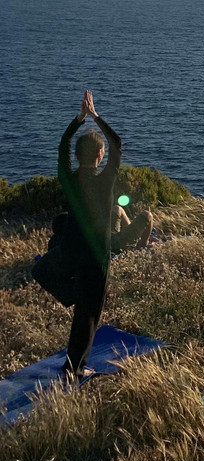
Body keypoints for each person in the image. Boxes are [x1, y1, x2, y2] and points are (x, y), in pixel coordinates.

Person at [32, 90, 121, 378]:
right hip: (96, 259)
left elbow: (63, 144)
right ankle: (76, 369)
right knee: (88, 316)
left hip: (70, 252)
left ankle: (71, 295)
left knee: (41, 270)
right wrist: (95, 116)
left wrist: (80, 119)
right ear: (99, 155)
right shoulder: (105, 180)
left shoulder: (68, 178)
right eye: (103, 152)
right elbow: (116, 142)